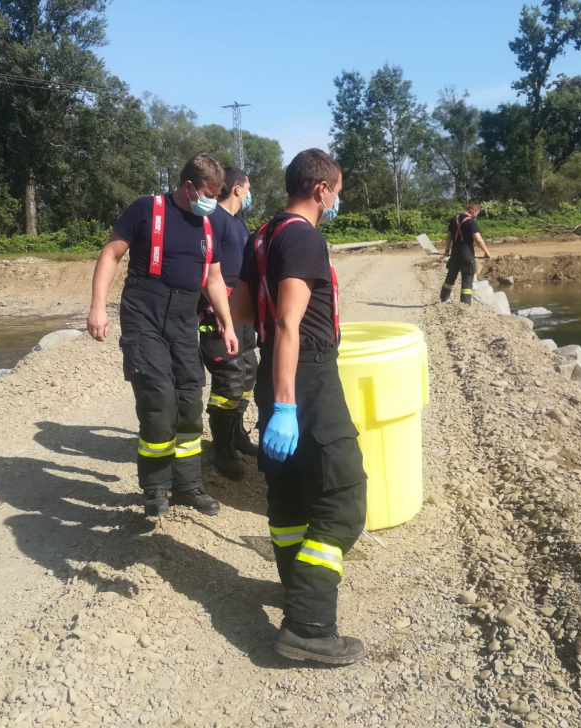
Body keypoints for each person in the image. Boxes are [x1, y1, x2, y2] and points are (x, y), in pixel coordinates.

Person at [230, 149, 368, 665]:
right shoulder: (304, 235)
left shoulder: (262, 235)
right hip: (304, 377)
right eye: (338, 190)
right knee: (343, 495)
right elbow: (289, 323)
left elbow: (245, 310)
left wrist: (276, 394)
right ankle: (309, 627)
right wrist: (288, 405)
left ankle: (296, 589)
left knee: (288, 489)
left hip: (275, 372)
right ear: (321, 190)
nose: (338, 200)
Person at [87, 153, 237, 519]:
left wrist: (228, 324)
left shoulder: (209, 224)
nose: (211, 202)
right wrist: (97, 306)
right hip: (145, 313)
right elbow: (111, 255)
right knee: (159, 400)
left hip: (185, 317)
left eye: (217, 196)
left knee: (189, 398)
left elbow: (214, 279)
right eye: (206, 193)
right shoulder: (145, 210)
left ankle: (187, 485)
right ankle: (156, 488)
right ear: (188, 186)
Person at [200, 168, 258, 480]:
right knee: (230, 378)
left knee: (248, 372)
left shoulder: (238, 222)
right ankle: (220, 448)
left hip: (240, 312)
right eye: (247, 189)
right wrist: (221, 316)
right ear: (236, 189)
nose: (249, 195)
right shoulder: (214, 221)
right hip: (218, 315)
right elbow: (209, 274)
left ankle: (236, 433)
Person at [440, 202, 491, 305]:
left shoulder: (454, 220)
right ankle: (465, 304)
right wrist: (486, 252)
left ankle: (443, 298)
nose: (476, 215)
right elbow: (478, 239)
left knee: (450, 277)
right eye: (476, 213)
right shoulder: (471, 223)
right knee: (467, 281)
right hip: (467, 257)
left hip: (455, 255)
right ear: (472, 211)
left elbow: (449, 237)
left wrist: (447, 250)